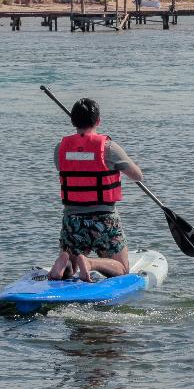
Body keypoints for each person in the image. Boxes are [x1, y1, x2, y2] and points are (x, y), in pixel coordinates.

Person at [48, 98, 143, 282]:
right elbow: (137, 175)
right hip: (104, 220)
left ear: (73, 122)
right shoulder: (108, 148)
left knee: (72, 264)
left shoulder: (60, 148)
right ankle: (91, 263)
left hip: (73, 220)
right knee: (122, 269)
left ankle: (66, 261)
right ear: (98, 121)